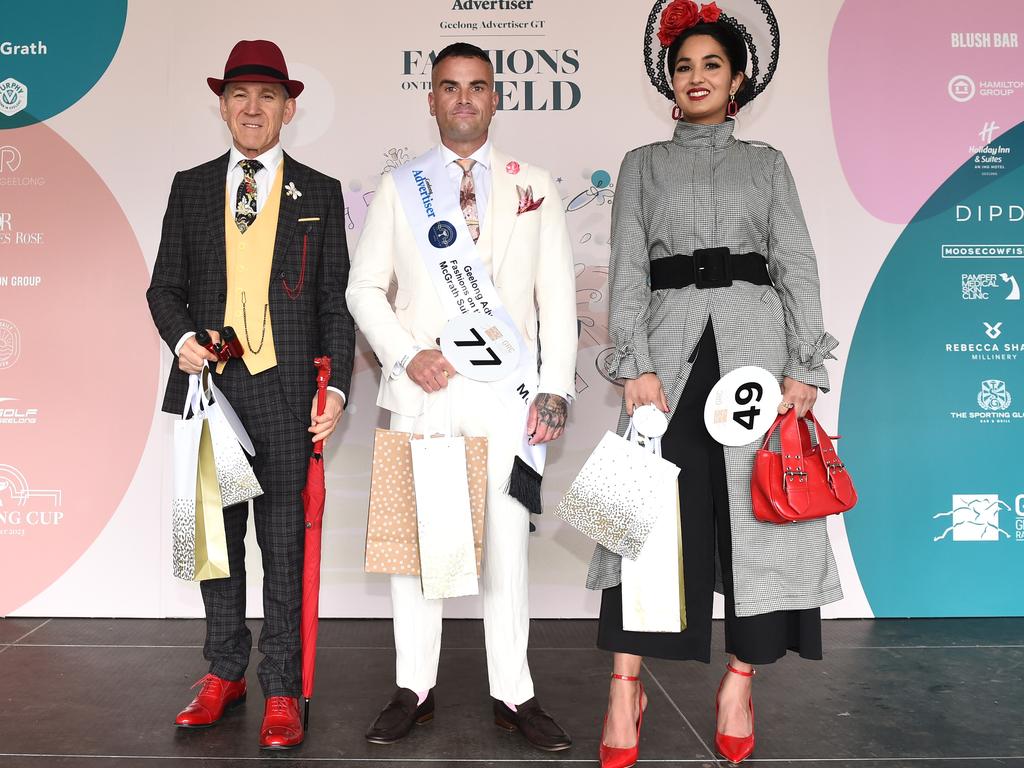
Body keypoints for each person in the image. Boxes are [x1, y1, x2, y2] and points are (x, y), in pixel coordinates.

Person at [587, 3, 842, 766]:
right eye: (684, 64)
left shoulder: (766, 164)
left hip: (754, 360)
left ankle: (740, 678)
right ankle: (622, 686)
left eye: (712, 66)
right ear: (670, 79)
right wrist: (631, 363)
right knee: (638, 517)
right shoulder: (642, 163)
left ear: (737, 81)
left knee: (756, 520)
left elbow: (795, 263)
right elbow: (628, 270)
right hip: (666, 355)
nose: (695, 77)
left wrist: (806, 366)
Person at [346, 42, 578, 752]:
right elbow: (363, 289)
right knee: (423, 551)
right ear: (431, 98)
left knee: (507, 548)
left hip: (506, 398)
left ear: (496, 98)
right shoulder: (401, 187)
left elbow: (557, 300)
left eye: (477, 87)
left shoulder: (532, 183)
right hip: (429, 392)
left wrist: (556, 388)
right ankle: (413, 686)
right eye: (450, 87)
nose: (465, 99)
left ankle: (515, 691)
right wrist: (406, 352)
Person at [147, 39, 354, 750]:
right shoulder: (191, 185)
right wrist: (182, 341)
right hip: (209, 392)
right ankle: (224, 671)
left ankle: (283, 686)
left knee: (284, 544)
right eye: (240, 94)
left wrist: (341, 391)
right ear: (224, 106)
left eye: (268, 95)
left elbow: (335, 304)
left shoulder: (319, 192)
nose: (253, 107)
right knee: (215, 541)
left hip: (289, 391)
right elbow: (162, 287)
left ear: (288, 108)